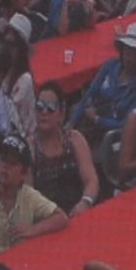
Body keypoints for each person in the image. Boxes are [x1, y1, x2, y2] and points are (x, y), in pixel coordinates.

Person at [28, 78, 102, 207]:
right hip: (46, 217)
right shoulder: (29, 148)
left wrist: (85, 202)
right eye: (40, 106)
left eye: (50, 108)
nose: (44, 112)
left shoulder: (75, 139)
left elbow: (91, 180)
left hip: (78, 211)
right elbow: (28, 196)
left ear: (61, 113)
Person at [71, 26, 136, 143]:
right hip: (90, 119)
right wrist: (72, 123)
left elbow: (126, 124)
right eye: (126, 50)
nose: (128, 56)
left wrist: (98, 120)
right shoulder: (110, 65)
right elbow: (91, 92)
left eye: (133, 53)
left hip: (109, 137)